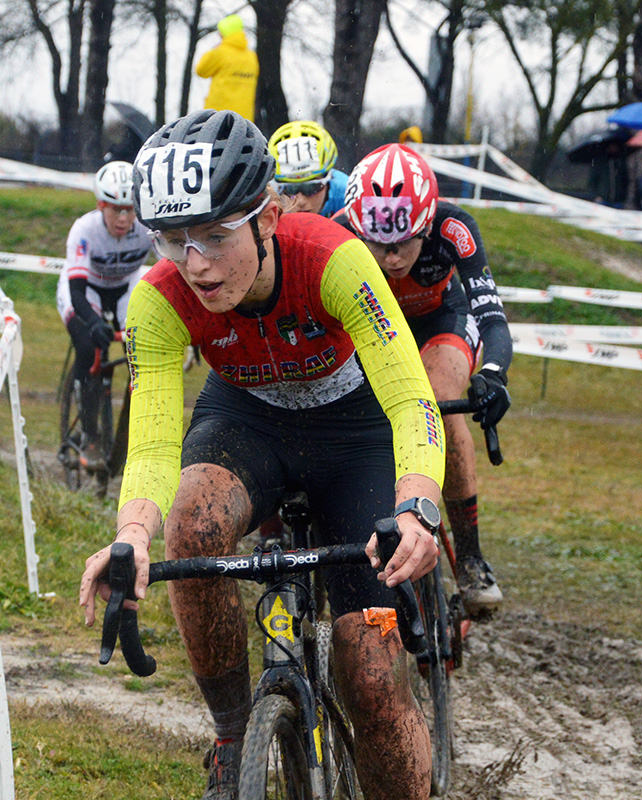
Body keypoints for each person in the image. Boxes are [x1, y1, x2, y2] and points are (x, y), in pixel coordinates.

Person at [79, 110, 446, 800]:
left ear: (269, 217)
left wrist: (418, 505)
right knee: (192, 520)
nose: (195, 264)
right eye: (174, 240)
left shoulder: (331, 256)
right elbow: (154, 439)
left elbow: (410, 400)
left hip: (355, 431)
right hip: (249, 419)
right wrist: (131, 534)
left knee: (370, 673)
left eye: (216, 236)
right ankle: (230, 735)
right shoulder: (159, 298)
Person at [338, 143, 512, 617]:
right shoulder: (337, 231)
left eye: (405, 243)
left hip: (441, 322)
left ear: (427, 221)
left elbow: (492, 319)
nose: (392, 258)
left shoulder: (453, 227)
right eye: (378, 244)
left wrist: (494, 373)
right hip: (372, 326)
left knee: (437, 402)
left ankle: (471, 558)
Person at [56, 161, 153, 469]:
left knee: (141, 348)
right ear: (101, 205)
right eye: (116, 210)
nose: (124, 219)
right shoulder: (85, 230)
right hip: (88, 291)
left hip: (125, 287)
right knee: (88, 345)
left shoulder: (148, 228)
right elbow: (76, 293)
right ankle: (89, 434)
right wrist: (94, 322)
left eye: (130, 210)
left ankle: (140, 431)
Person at [268, 120, 349, 218]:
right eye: (289, 190)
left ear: (329, 178)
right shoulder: (268, 199)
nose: (300, 201)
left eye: (312, 188)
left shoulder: (348, 197)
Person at [195, 15, 258, 122]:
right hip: (244, 118)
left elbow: (201, 71)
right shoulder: (251, 56)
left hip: (218, 116)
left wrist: (213, 51)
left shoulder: (220, 52)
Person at [587, 140, 630, 208]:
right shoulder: (601, 162)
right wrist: (596, 195)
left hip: (617, 201)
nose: (613, 148)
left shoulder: (620, 162)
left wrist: (623, 197)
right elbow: (593, 180)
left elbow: (625, 180)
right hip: (603, 200)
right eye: (611, 146)